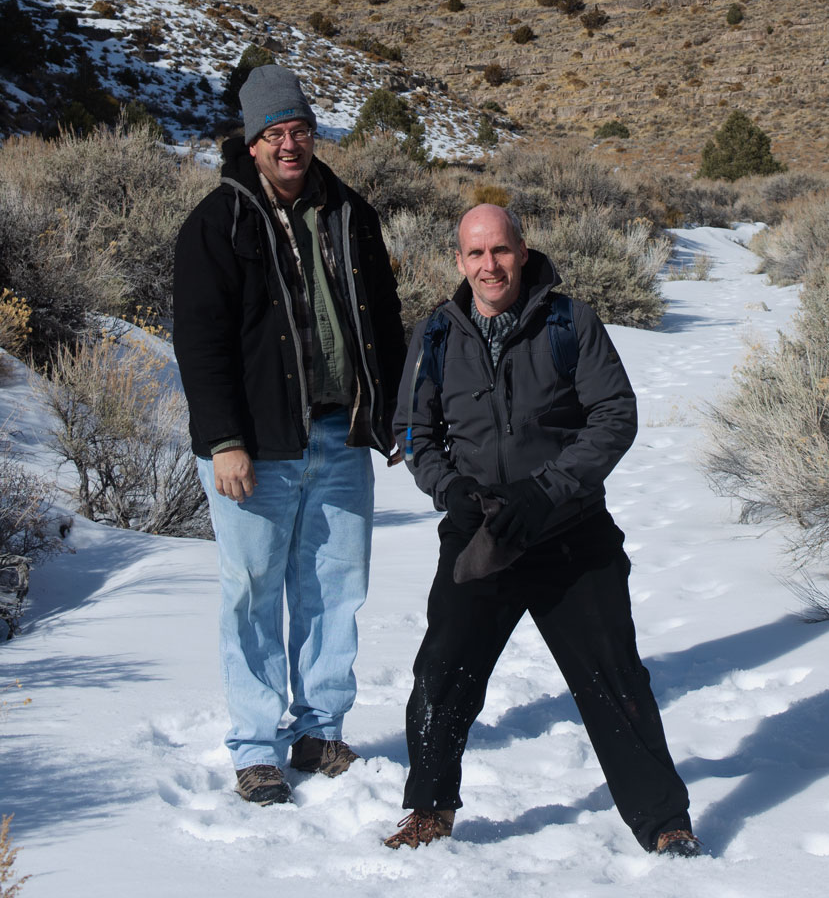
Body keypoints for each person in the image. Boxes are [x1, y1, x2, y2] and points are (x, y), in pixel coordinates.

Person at [386, 202, 699, 856]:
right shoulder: (438, 335)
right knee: (443, 674)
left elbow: (614, 414)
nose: (489, 265)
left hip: (569, 531)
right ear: (458, 261)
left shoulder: (568, 322)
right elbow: (413, 430)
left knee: (613, 677)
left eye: (499, 250)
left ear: (522, 252)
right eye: (475, 253)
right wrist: (450, 491)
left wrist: (549, 490)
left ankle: (664, 820)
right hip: (481, 532)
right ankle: (429, 809)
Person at [173, 65, 405, 806]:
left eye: (300, 129)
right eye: (275, 132)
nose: (290, 144)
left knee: (335, 591)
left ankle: (319, 729)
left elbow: (383, 323)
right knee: (251, 593)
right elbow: (200, 345)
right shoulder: (218, 222)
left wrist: (391, 415)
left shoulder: (349, 213)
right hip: (257, 447)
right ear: (252, 140)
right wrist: (222, 440)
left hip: (339, 439)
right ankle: (253, 745)